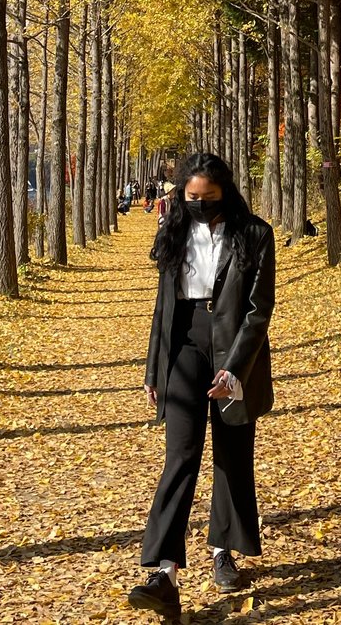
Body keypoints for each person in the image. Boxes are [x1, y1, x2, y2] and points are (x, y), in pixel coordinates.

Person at [128, 152, 275, 621]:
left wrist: (236, 368)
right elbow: (162, 307)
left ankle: (223, 551)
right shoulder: (172, 227)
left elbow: (258, 309)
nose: (198, 204)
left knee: (232, 451)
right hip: (184, 346)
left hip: (236, 345)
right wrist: (154, 368)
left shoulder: (254, 233)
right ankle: (163, 572)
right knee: (181, 455)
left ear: (224, 193)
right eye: (191, 197)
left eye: (208, 198)